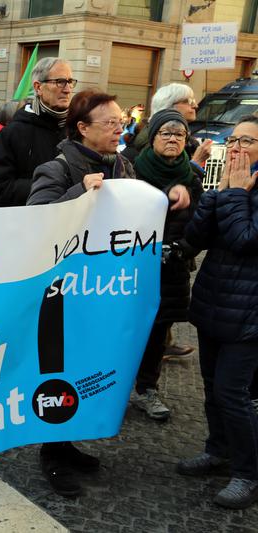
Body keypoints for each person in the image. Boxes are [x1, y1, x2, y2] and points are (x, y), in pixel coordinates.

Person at [27, 90, 134, 498]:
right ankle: (52, 454)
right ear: (82, 128)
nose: (118, 127)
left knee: (90, 367)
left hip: (103, 292)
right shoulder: (57, 167)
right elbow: (38, 219)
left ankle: (67, 443)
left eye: (120, 120)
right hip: (62, 296)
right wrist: (78, 194)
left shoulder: (124, 165)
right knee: (59, 373)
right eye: (108, 122)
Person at [177, 114, 258, 510]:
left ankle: (248, 472)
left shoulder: (243, 191)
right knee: (212, 388)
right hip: (214, 303)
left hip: (249, 315)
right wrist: (216, 195)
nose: (238, 148)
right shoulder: (230, 187)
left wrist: (234, 195)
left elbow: (245, 239)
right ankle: (218, 450)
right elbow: (196, 238)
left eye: (249, 142)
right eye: (236, 140)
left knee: (232, 392)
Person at [129, 109, 201, 421]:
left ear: (186, 141)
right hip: (132, 268)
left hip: (171, 270)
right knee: (126, 330)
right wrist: (164, 195)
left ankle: (147, 389)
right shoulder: (132, 169)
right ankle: (111, 391)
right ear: (154, 137)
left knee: (158, 333)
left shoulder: (192, 178)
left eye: (179, 134)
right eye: (166, 133)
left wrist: (184, 248)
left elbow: (202, 224)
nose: (173, 139)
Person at [0, 57, 75, 207]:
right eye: (60, 82)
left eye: (70, 82)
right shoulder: (13, 133)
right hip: (28, 225)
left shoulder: (78, 130)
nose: (68, 89)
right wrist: (45, 187)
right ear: (38, 88)